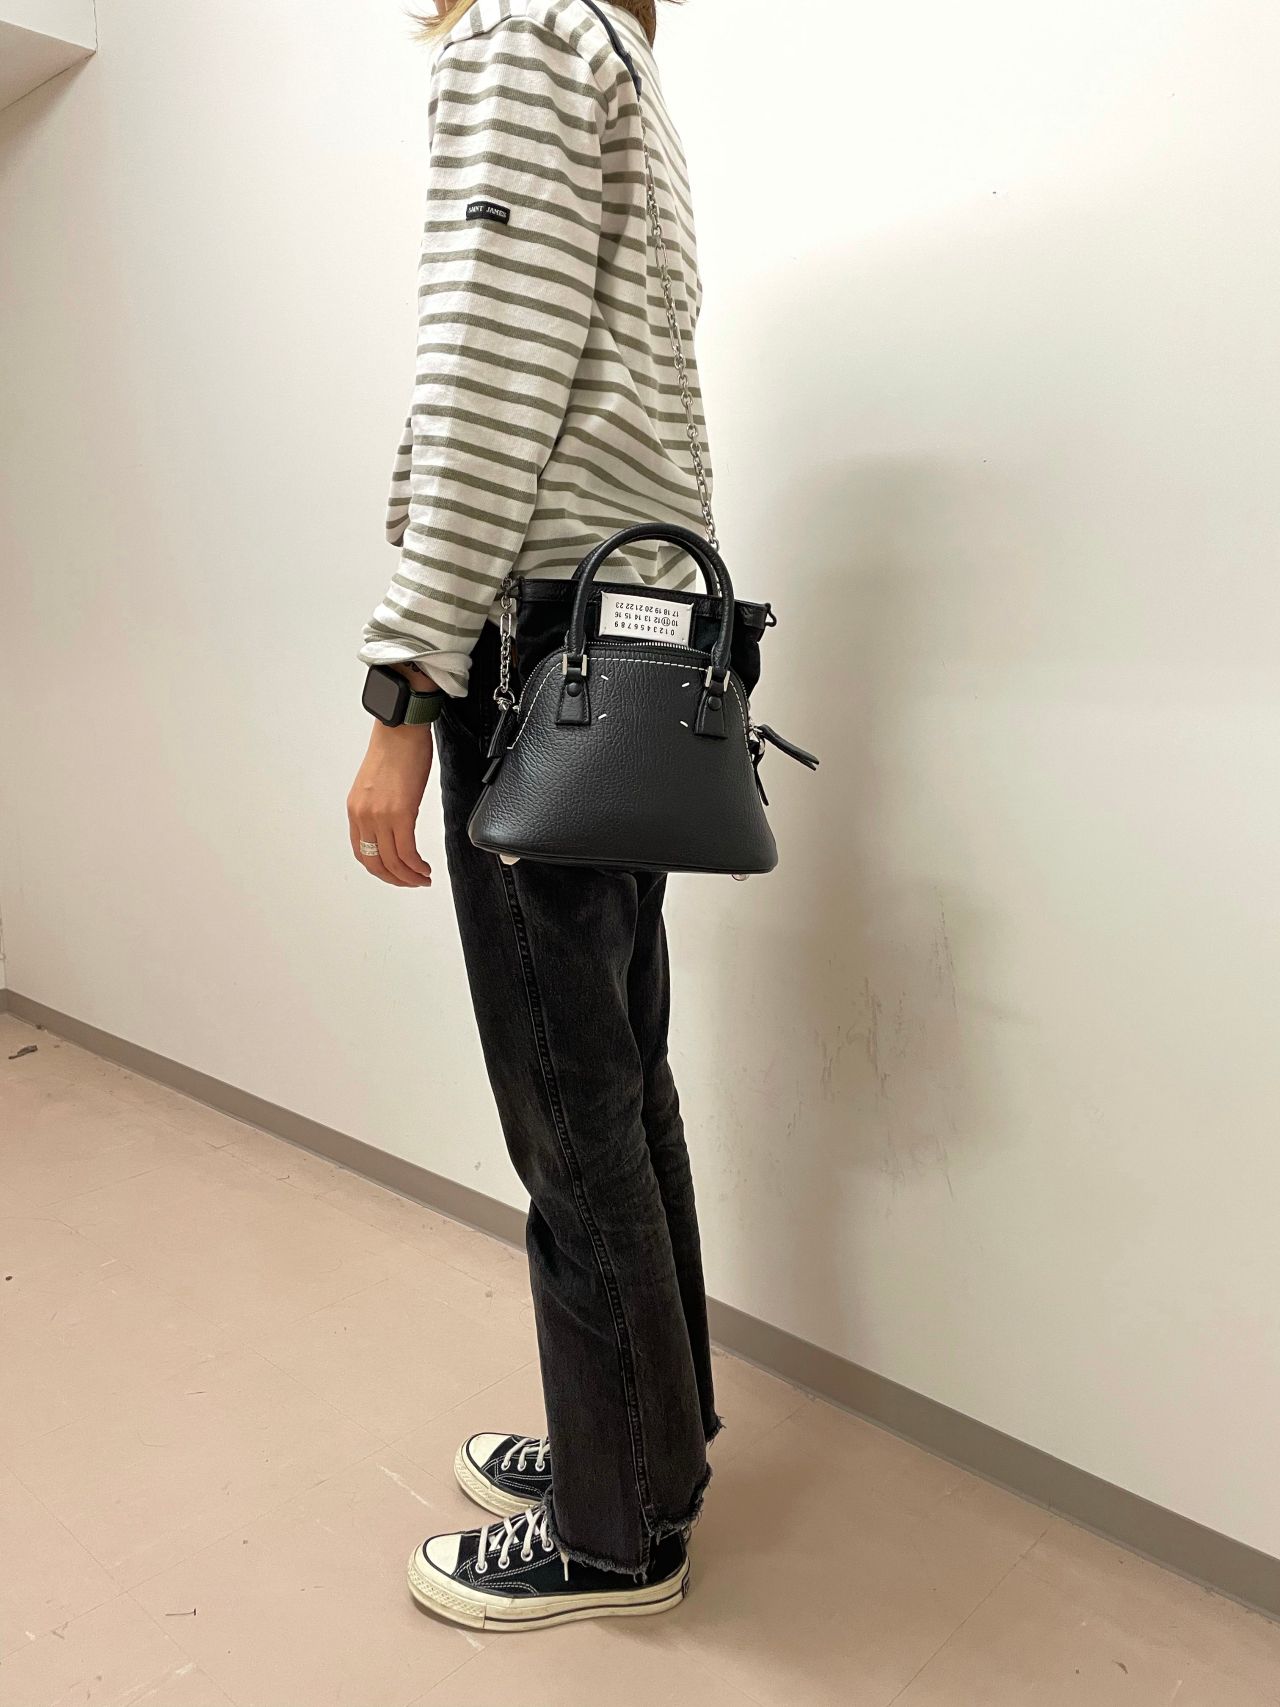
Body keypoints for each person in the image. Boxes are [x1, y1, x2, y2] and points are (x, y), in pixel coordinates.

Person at [347, 0, 720, 1631]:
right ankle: (645, 1450)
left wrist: (405, 686)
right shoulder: (617, 53)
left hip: (536, 656)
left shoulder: (511, 32)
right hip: (636, 653)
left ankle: (614, 1533)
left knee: (571, 1105)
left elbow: (486, 385)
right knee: (622, 1082)